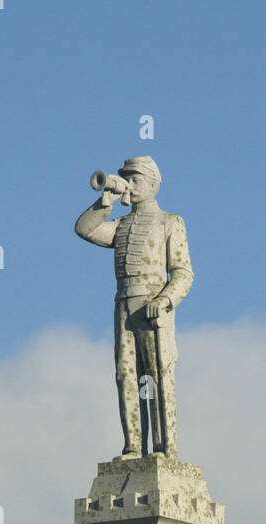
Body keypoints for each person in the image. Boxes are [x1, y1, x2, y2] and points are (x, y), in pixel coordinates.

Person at [75, 156, 193, 459]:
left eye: (135, 179)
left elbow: (183, 273)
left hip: (153, 307)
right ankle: (133, 446)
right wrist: (106, 203)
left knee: (156, 376)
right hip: (124, 306)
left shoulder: (170, 222)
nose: (131, 183)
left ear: (152, 184)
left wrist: (164, 301)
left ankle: (163, 448)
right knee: (127, 375)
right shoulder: (121, 226)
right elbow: (85, 230)